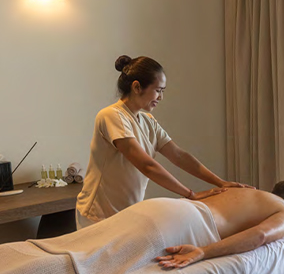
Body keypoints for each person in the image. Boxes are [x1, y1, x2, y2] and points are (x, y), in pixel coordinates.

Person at [76, 55, 251, 229]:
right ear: (136, 87)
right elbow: (147, 166)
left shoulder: (148, 121)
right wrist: (190, 194)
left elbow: (179, 156)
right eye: (158, 90)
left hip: (124, 213)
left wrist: (220, 182)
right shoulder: (111, 115)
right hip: (97, 215)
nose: (160, 97)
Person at [155, 180, 284, 269]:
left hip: (165, 205)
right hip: (191, 222)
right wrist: (203, 252)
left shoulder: (245, 191)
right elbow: (260, 235)